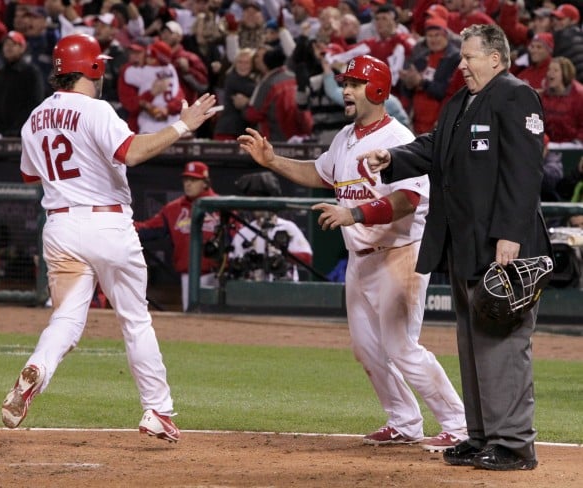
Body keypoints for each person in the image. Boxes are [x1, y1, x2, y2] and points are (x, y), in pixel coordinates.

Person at [238, 54, 467, 452]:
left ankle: (460, 424)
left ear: (377, 89)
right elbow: (319, 172)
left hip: (400, 252)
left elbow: (408, 200)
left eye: (356, 84)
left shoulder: (397, 139)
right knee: (366, 348)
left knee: (401, 346)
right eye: (346, 83)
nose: (346, 90)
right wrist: (273, 160)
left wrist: (354, 213)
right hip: (361, 258)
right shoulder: (346, 137)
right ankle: (404, 421)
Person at [1, 33, 217, 443]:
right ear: (93, 68)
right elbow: (131, 152)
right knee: (135, 321)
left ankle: (38, 368)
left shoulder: (35, 118)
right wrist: (181, 126)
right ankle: (158, 410)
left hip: (60, 226)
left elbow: (31, 174)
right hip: (107, 223)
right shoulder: (96, 110)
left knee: (65, 318)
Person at [360, 24, 552, 470]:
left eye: (469, 57)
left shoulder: (515, 95)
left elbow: (525, 173)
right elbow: (433, 148)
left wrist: (511, 234)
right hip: (465, 245)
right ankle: (482, 434)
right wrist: (394, 158)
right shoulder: (460, 103)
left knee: (502, 344)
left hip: (503, 246)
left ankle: (514, 444)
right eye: (462, 57)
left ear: (497, 59)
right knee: (472, 344)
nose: (461, 64)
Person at [135, 161, 221, 312]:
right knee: (192, 318)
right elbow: (149, 229)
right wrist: (121, 227)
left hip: (217, 275)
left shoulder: (221, 206)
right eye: (186, 180)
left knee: (216, 318)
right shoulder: (173, 209)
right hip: (188, 275)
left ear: (205, 182)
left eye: (193, 180)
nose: (188, 184)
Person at [229, 171, 313, 282]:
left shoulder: (287, 227)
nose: (257, 204)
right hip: (253, 289)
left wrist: (281, 256)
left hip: (284, 288)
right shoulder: (244, 232)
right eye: (254, 199)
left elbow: (306, 257)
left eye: (261, 198)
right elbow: (232, 262)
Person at [0, 30, 44, 136]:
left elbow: (35, 105)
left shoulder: (32, 73)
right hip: (0, 135)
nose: (9, 47)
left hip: (23, 135)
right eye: (6, 44)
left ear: (22, 48)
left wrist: (19, 131)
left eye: (14, 44)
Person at [540, 56, 583, 143]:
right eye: (549, 69)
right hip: (549, 146)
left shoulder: (579, 95)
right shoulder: (544, 95)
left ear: (565, 73)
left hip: (574, 146)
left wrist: (578, 142)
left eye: (555, 70)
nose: (550, 73)